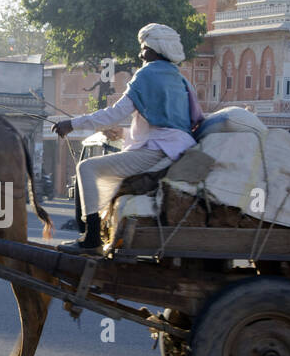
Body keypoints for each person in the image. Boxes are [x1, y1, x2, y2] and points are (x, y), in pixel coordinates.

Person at [53, 23, 202, 254]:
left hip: (157, 153)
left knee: (86, 168)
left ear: (154, 50)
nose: (141, 54)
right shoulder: (178, 78)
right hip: (176, 149)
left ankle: (90, 238)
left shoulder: (147, 74)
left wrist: (71, 124)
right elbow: (169, 124)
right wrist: (123, 134)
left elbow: (114, 113)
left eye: (143, 48)